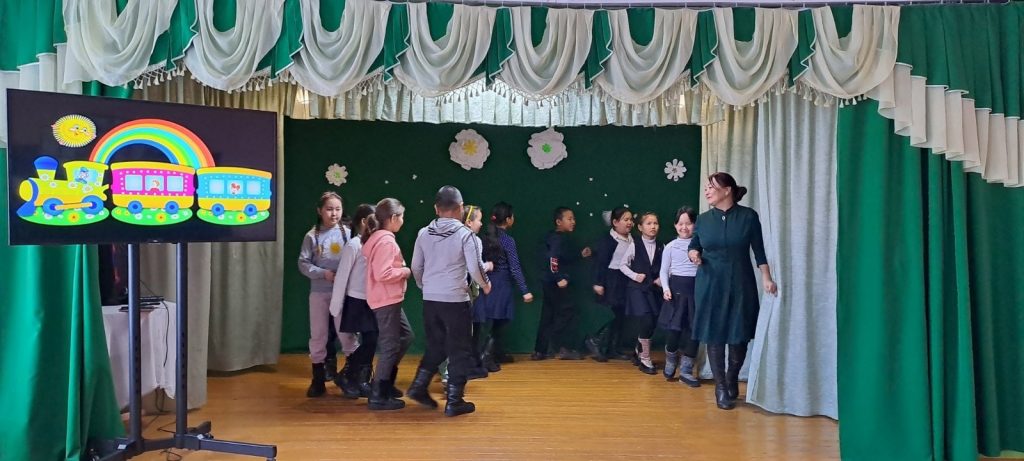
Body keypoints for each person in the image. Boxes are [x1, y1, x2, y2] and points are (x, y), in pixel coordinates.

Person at [688, 173, 778, 410]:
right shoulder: (703, 219)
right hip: (710, 282)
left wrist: (767, 278)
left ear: (727, 190)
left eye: (711, 187)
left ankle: (731, 377)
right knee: (714, 334)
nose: (707, 191)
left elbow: (759, 250)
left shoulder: (748, 217)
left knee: (739, 334)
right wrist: (693, 254)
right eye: (706, 187)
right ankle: (720, 387)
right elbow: (694, 245)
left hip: (740, 281)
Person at [406, 186, 491, 417]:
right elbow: (475, 268)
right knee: (459, 350)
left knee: (437, 345)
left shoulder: (423, 233)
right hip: (455, 299)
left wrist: (424, 285)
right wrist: (485, 284)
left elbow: (416, 266)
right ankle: (455, 401)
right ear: (460, 208)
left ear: (436, 208)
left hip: (430, 299)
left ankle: (419, 386)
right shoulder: (466, 235)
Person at [362, 198, 415, 411]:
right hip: (386, 300)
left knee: (406, 336)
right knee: (390, 346)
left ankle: (385, 383)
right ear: (393, 218)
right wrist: (405, 271)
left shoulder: (382, 239)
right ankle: (378, 395)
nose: (403, 221)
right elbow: (382, 273)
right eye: (401, 217)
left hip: (388, 299)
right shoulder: (386, 242)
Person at [297, 191, 348, 397]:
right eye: (329, 209)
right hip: (319, 293)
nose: (334, 213)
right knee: (318, 335)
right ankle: (318, 379)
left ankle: (351, 377)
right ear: (320, 211)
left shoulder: (348, 233)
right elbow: (303, 263)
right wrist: (323, 274)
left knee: (347, 333)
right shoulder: (312, 236)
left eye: (338, 209)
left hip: (343, 293)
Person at [474, 202, 533, 371]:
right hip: (502, 286)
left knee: (491, 322)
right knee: (499, 323)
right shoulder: (508, 241)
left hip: (485, 283)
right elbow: (514, 267)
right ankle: (486, 357)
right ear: (508, 220)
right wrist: (525, 290)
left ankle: (495, 353)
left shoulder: (483, 238)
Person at [532, 206, 591, 360]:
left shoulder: (554, 237)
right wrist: (558, 277)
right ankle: (563, 347)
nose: (573, 222)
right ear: (559, 222)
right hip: (555, 283)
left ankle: (540, 351)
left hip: (547, 281)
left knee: (548, 314)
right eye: (569, 219)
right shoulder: (558, 238)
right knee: (569, 311)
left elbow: (562, 256)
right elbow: (553, 258)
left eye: (573, 218)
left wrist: (580, 255)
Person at [659, 207, 701, 387]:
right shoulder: (670, 247)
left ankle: (686, 370)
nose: (684, 227)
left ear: (695, 225)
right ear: (675, 225)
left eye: (689, 223)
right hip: (675, 293)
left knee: (694, 331)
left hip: (696, 292)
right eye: (681, 224)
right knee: (673, 330)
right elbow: (663, 271)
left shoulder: (700, 245)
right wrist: (666, 288)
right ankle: (670, 360)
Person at [618, 212, 664, 375]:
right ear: (640, 227)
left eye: (655, 223)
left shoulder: (662, 246)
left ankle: (639, 348)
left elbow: (667, 266)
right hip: (637, 289)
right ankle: (645, 358)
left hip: (653, 289)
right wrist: (635, 276)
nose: (653, 227)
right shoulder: (634, 244)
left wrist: (661, 278)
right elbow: (622, 265)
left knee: (653, 321)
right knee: (646, 319)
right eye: (648, 223)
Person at [586, 207, 634, 362]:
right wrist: (598, 283)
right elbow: (600, 263)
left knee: (621, 316)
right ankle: (595, 341)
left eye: (630, 220)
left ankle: (614, 349)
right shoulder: (608, 240)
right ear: (615, 222)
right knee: (611, 315)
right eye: (625, 220)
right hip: (610, 280)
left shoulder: (632, 239)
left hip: (625, 279)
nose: (629, 223)